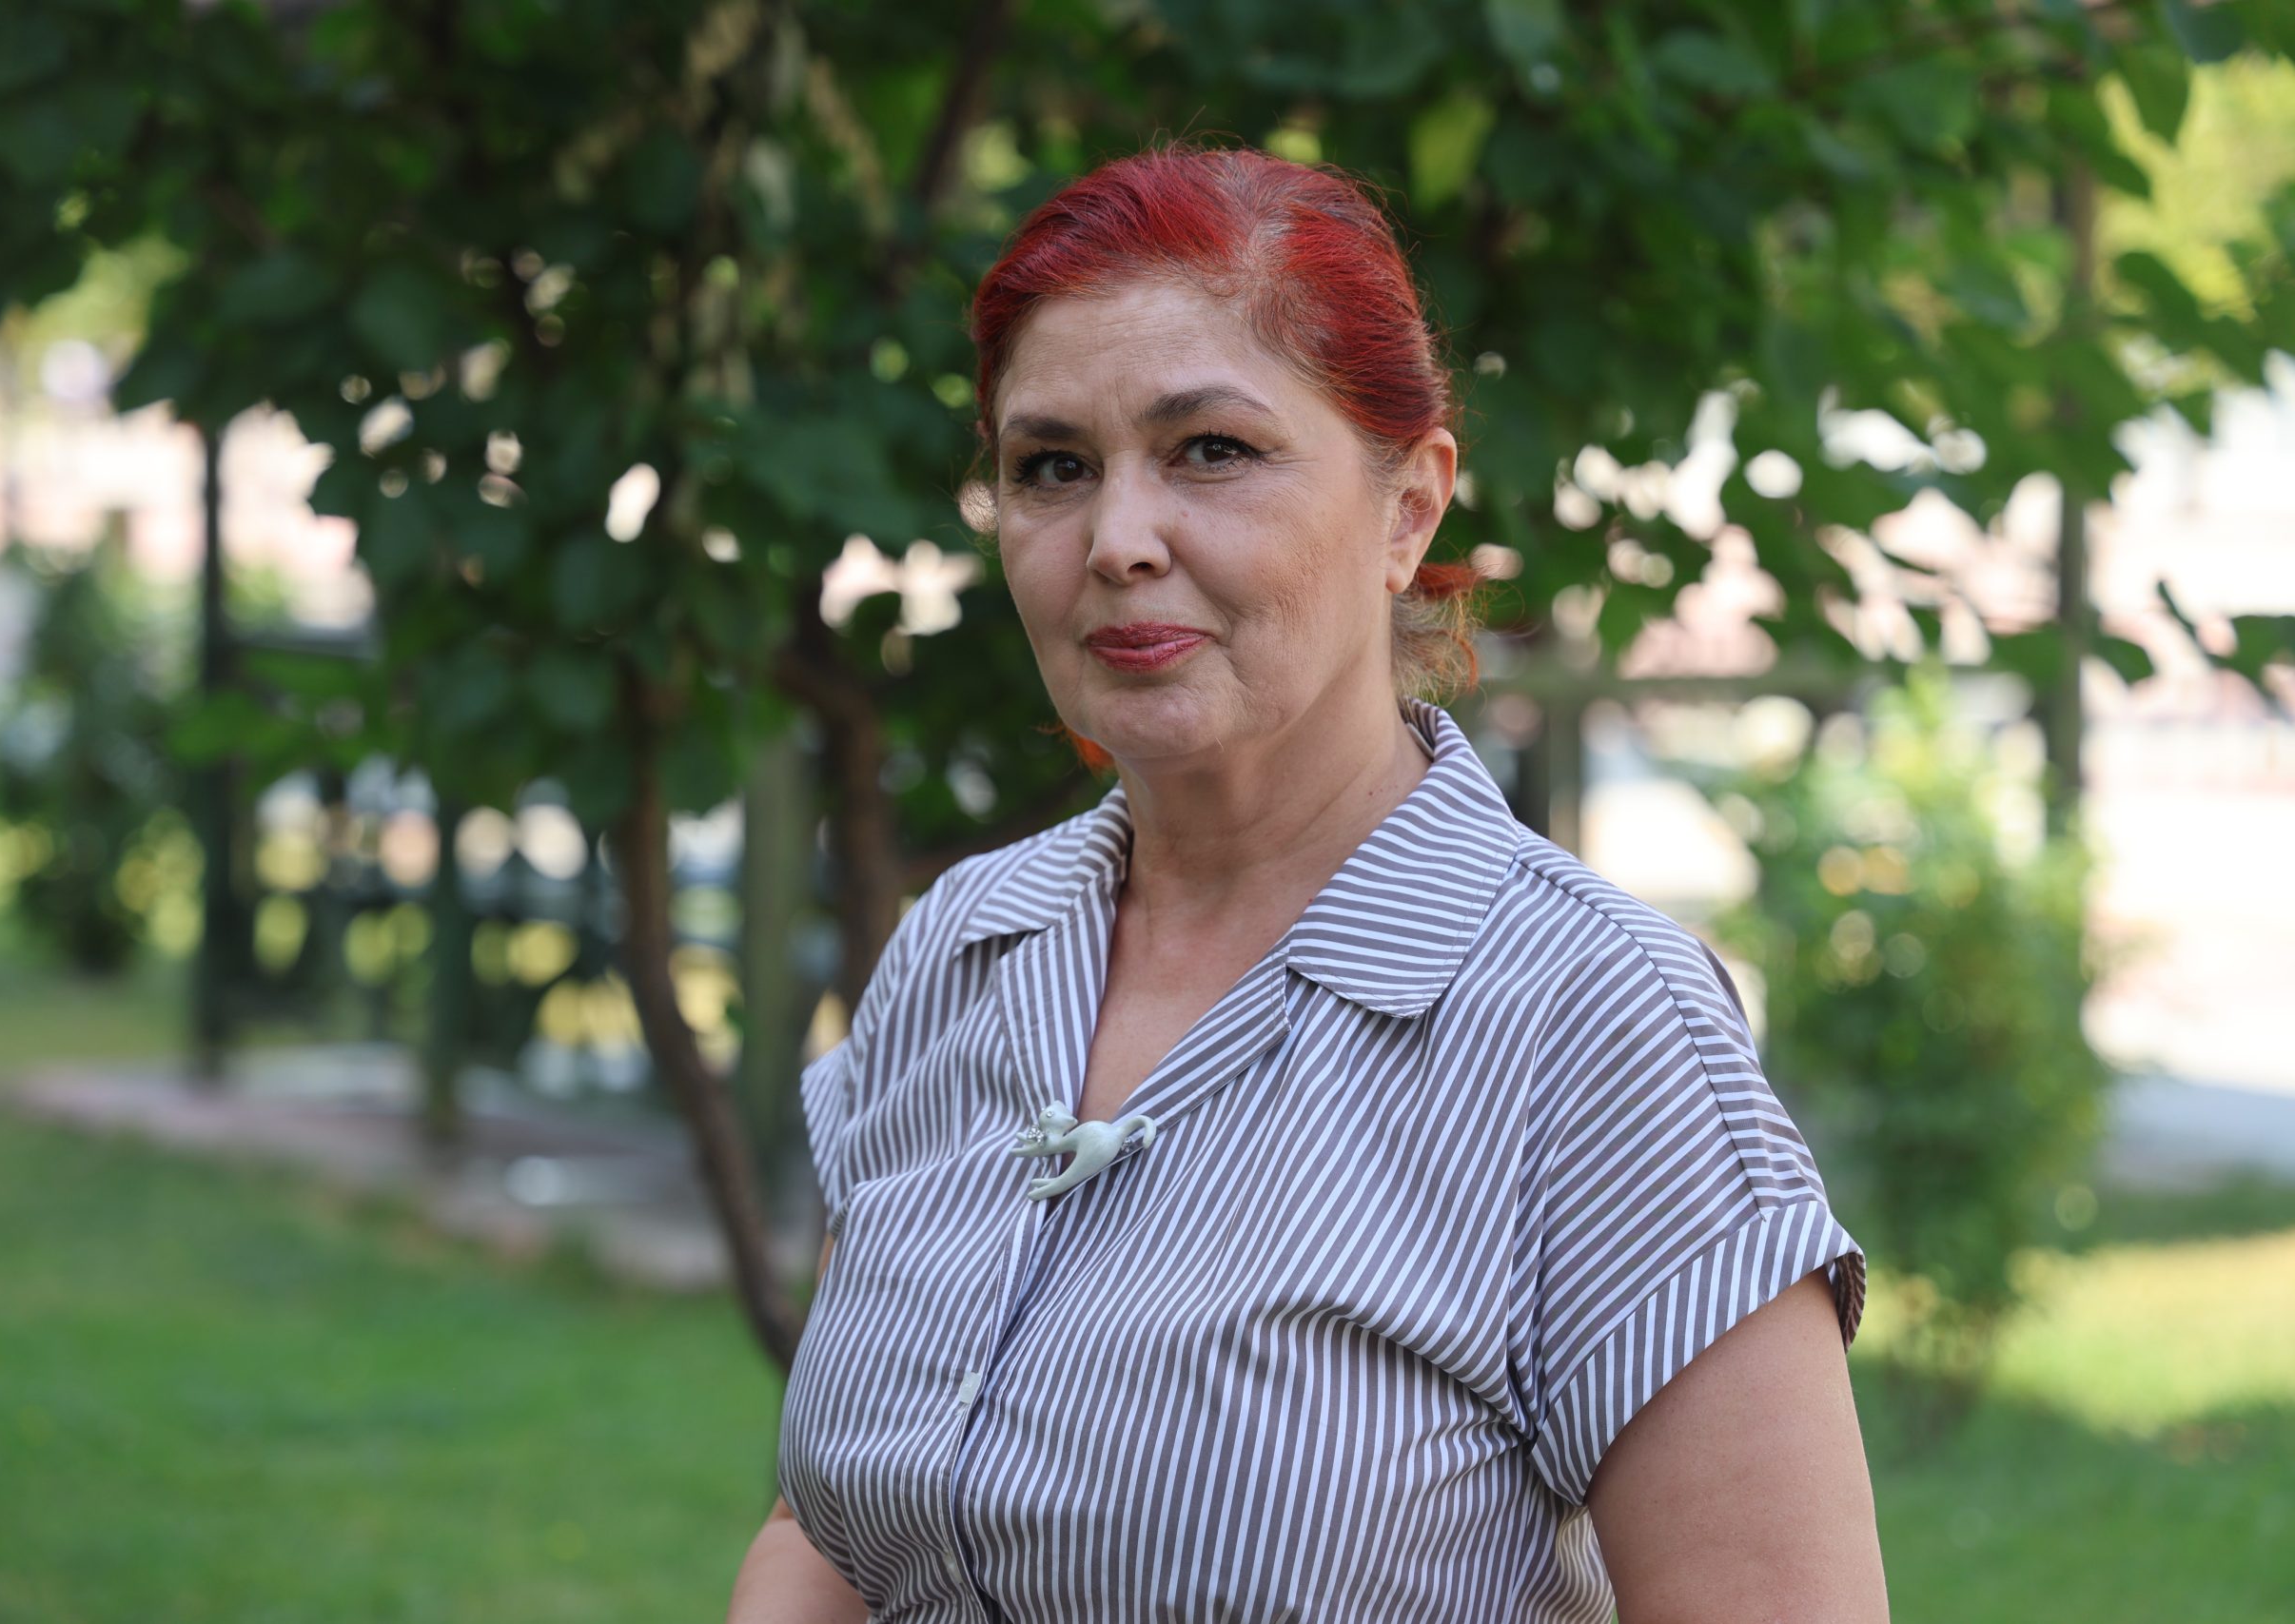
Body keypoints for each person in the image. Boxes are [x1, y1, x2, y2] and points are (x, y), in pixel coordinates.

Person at [728, 142, 1888, 1624]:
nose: (1118, 541)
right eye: (1052, 468)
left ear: (1410, 509)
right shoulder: (964, 948)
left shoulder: (1593, 1024)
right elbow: (825, 1532)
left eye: (1211, 450)